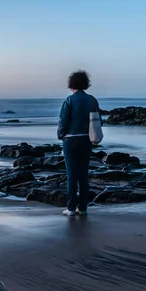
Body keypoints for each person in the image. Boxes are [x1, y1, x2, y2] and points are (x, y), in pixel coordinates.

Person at [57, 70, 100, 217]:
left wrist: (60, 135)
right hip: (86, 139)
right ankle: (83, 208)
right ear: (85, 83)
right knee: (83, 174)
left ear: (71, 83)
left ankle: (70, 208)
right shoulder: (92, 100)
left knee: (71, 175)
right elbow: (98, 120)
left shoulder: (69, 100)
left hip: (70, 139)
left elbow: (63, 121)